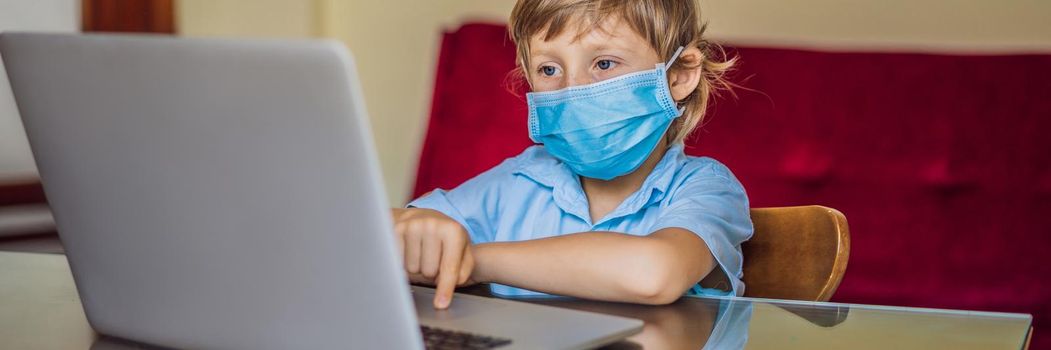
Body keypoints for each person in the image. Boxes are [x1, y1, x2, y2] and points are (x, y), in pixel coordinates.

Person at [391, 0, 753, 309]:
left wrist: (471, 259)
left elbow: (653, 273)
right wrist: (414, 230)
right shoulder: (517, 181)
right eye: (549, 69)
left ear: (678, 76)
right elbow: (381, 236)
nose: (572, 89)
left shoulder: (707, 187)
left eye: (604, 63)